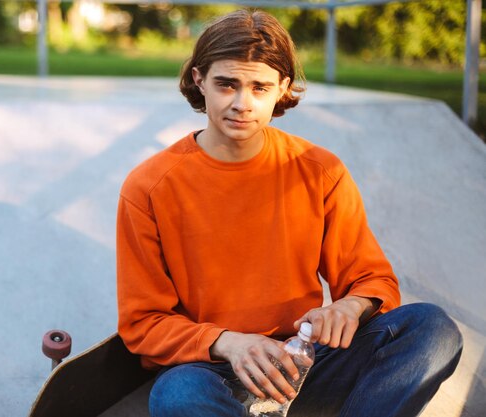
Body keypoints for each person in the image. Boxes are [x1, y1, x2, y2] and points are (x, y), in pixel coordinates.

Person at [116, 9, 462, 417]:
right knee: (175, 395)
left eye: (259, 87)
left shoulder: (320, 170)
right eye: (226, 84)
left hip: (307, 360)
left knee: (430, 328)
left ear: (282, 87)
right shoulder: (149, 187)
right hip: (214, 370)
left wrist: (351, 306)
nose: (242, 104)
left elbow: (372, 280)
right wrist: (229, 342)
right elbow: (143, 322)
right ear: (199, 80)